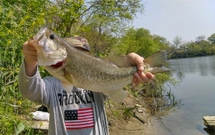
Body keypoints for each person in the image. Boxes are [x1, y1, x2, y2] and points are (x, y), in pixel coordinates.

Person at [18, 37, 154, 135]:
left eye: (83, 56)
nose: (78, 60)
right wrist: (30, 60)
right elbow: (30, 90)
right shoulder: (51, 85)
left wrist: (132, 63)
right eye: (74, 55)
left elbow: (116, 81)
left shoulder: (98, 87)